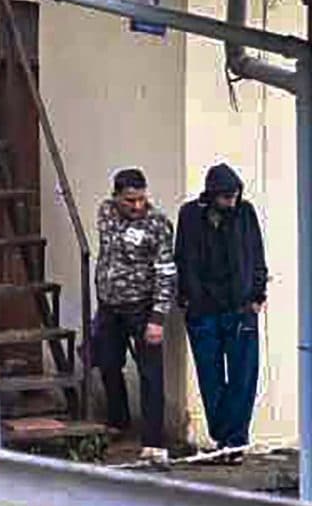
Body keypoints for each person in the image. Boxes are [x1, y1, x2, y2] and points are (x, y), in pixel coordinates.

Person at [176, 163, 269, 451]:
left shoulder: (245, 213)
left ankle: (235, 441)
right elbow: (182, 256)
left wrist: (257, 295)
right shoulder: (191, 215)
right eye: (226, 197)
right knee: (210, 376)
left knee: (243, 376)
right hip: (203, 309)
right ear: (213, 195)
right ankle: (223, 436)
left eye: (235, 196)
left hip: (239, 306)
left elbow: (256, 254)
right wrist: (187, 297)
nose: (232, 202)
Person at [88, 167, 176, 461]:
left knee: (150, 373)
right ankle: (118, 419)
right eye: (129, 201)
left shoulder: (158, 225)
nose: (137, 206)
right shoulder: (105, 213)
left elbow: (165, 273)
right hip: (110, 305)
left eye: (141, 199)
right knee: (108, 363)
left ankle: (153, 440)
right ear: (116, 198)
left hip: (141, 307)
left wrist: (158, 318)